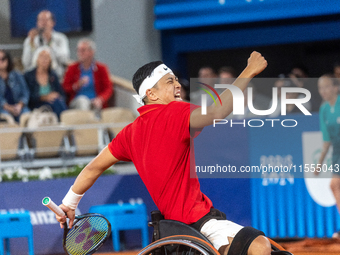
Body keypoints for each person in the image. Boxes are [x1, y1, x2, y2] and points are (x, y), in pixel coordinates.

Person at [56, 52, 271, 255]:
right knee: (259, 246)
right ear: (151, 93)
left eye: (176, 80)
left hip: (171, 228)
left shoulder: (129, 134)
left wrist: (69, 203)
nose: (178, 85)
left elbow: (93, 168)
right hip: (198, 221)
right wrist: (249, 71)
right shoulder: (176, 112)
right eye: (170, 81)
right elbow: (218, 111)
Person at [316, 74, 340, 238]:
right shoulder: (324, 109)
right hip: (337, 152)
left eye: (326, 86)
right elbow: (326, 140)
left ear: (336, 88)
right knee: (335, 186)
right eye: (320, 87)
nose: (323, 91)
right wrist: (319, 163)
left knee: (335, 184)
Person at [62, 38, 113, 111]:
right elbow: (65, 88)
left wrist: (100, 99)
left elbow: (108, 89)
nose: (80, 53)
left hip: (95, 101)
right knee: (83, 102)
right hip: (77, 101)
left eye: (83, 50)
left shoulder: (101, 68)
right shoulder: (72, 68)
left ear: (91, 52)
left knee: (96, 106)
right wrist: (77, 85)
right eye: (78, 50)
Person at [22, 10, 70, 78]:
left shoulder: (61, 39)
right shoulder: (29, 40)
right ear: (37, 23)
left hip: (56, 76)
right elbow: (26, 63)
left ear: (53, 23)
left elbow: (64, 59)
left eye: (46, 20)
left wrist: (50, 42)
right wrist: (32, 43)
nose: (43, 23)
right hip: (35, 78)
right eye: (41, 20)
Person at [24, 46, 67, 119]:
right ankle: (64, 123)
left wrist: (56, 95)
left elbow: (62, 94)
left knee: (58, 102)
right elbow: (28, 97)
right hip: (36, 104)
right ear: (36, 59)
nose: (44, 59)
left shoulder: (53, 75)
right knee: (56, 104)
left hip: (53, 103)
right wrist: (44, 97)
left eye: (47, 57)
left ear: (50, 60)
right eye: (41, 56)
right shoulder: (28, 76)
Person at [0, 50, 30, 122]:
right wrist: (9, 108)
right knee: (5, 119)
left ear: (8, 60)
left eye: (3, 58)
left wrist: (19, 105)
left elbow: (25, 92)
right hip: (2, 108)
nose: (1, 61)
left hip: (19, 107)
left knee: (27, 117)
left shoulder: (17, 75)